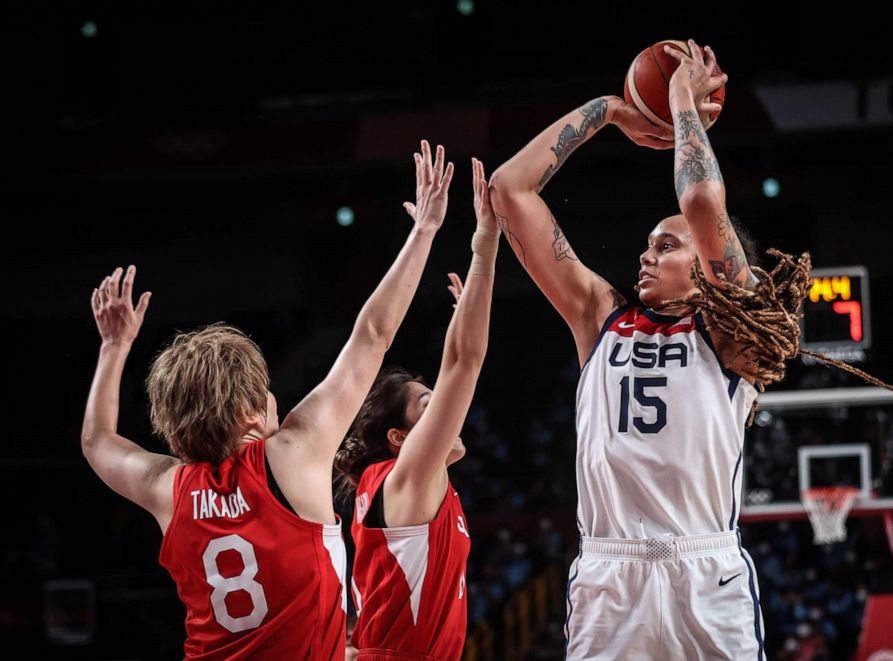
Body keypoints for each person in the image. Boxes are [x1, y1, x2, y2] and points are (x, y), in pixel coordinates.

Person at [80, 140, 454, 659]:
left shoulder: (166, 488)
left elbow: (97, 441)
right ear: (249, 412)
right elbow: (372, 333)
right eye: (267, 394)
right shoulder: (292, 453)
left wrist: (114, 348)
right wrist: (424, 230)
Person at [488, 40, 782, 658]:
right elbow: (510, 189)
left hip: (704, 569)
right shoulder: (601, 318)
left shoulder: (735, 334)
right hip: (610, 574)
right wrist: (609, 110)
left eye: (667, 246)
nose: (647, 254)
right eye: (648, 244)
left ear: (708, 266)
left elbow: (701, 203)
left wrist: (680, 107)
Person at [336, 157, 498, 660]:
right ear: (400, 439)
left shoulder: (387, 485)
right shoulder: (403, 479)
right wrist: (485, 242)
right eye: (427, 406)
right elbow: (465, 363)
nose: (446, 412)